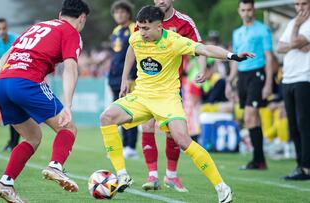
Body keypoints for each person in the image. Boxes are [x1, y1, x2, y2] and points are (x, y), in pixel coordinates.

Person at [100, 5, 254, 202]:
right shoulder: (136, 36)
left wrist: (232, 56)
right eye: (139, 27)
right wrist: (124, 79)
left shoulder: (174, 41)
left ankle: (222, 187)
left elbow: (204, 48)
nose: (141, 32)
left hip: (167, 98)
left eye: (146, 29)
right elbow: (132, 48)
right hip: (142, 96)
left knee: (183, 140)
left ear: (159, 26)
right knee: (106, 117)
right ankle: (122, 175)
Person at [0, 0, 90, 201]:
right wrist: (67, 104)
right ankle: (56, 166)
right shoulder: (71, 32)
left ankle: (6, 183)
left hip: (3, 84)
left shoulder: (37, 26)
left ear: (60, 14)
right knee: (68, 128)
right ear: (82, 18)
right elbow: (71, 68)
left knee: (33, 137)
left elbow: (5, 56)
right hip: (27, 82)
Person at [140, 0, 204, 192]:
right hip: (148, 85)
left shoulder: (184, 22)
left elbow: (199, 48)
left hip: (170, 87)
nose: (161, 1)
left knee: (173, 132)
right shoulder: (145, 17)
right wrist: (128, 78)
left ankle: (171, 176)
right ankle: (152, 175)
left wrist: (201, 70)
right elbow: (135, 48)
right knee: (147, 125)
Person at [227, 0, 274, 170]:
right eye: (243, 10)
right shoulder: (237, 32)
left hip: (257, 74)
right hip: (242, 76)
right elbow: (235, 59)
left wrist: (269, 83)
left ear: (253, 10)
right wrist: (229, 81)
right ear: (239, 11)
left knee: (249, 115)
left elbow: (269, 57)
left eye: (249, 9)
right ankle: (259, 160)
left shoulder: (263, 29)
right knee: (252, 118)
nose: (246, 12)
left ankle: (258, 159)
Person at [277, 0, 310, 180]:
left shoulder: (298, 23)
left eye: (304, 3)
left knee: (305, 124)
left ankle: (306, 167)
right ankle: (300, 165)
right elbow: (280, 47)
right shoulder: (292, 22)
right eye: (297, 4)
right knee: (293, 125)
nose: (300, 8)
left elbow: (296, 41)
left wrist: (297, 27)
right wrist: (296, 44)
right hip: (288, 78)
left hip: (304, 77)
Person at [109, 0, 139, 160]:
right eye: (116, 12)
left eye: (122, 12)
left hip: (128, 78)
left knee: (129, 112)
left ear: (128, 13)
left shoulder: (134, 28)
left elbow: (136, 54)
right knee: (116, 113)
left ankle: (131, 147)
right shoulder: (116, 30)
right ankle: (121, 145)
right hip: (114, 78)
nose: (119, 15)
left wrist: (130, 77)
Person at [0, 17, 20, 151]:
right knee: (11, 113)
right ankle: (12, 143)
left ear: (7, 28)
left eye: (4, 28)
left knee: (17, 113)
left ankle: (13, 144)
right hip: (3, 80)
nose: (1, 31)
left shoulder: (16, 39)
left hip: (17, 79)